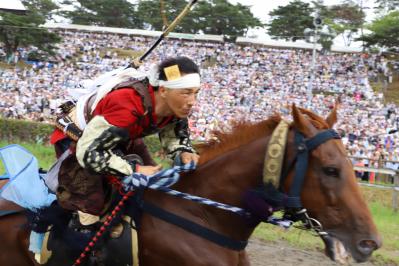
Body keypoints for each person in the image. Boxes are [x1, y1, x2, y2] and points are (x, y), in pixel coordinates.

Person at [50, 56, 201, 224]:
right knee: (93, 206)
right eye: (186, 93)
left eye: (196, 93)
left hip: (120, 137)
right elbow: (88, 153)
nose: (192, 102)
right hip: (78, 140)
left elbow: (173, 135)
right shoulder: (126, 105)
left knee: (153, 189)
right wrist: (134, 169)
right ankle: (76, 240)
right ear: (164, 91)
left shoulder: (175, 107)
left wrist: (183, 152)